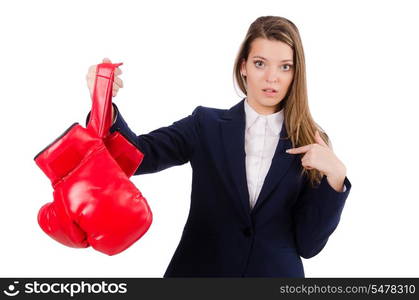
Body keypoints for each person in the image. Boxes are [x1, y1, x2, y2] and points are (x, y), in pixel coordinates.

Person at [85, 16, 352, 277]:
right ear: (244, 65)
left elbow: (309, 245)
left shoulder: (313, 143)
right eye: (261, 63)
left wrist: (336, 179)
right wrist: (103, 105)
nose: (272, 78)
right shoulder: (206, 125)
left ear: (296, 73)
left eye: (285, 67)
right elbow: (137, 157)